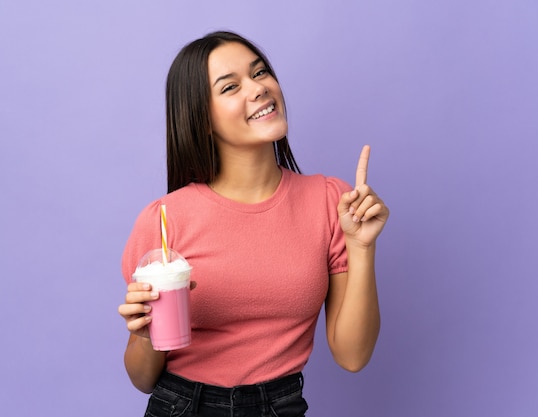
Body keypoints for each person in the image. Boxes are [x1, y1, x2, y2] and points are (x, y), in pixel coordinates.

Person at [118, 30, 389, 416]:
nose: (258, 88)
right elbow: (143, 379)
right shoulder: (163, 221)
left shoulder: (331, 201)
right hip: (182, 405)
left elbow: (352, 355)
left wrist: (361, 248)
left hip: (281, 405)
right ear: (202, 118)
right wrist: (145, 336)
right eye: (230, 87)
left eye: (260, 73)